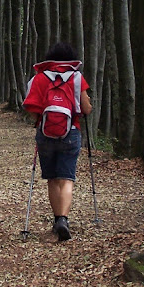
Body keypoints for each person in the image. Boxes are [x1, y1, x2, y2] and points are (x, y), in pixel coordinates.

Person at [22, 42, 92, 241]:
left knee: (52, 179)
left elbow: (31, 107)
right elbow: (86, 109)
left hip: (45, 134)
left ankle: (56, 220)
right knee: (66, 178)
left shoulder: (40, 78)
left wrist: (42, 118)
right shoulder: (77, 78)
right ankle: (63, 219)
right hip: (71, 132)